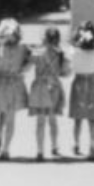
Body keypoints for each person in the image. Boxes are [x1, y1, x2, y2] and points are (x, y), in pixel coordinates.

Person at [0, 18, 31, 160]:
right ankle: (2, 144)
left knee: (5, 117)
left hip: (5, 83)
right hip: (11, 83)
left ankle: (2, 143)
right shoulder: (21, 48)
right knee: (6, 117)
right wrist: (23, 70)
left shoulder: (1, 48)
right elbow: (29, 63)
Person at [67, 20, 94, 161]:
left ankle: (76, 144)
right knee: (92, 118)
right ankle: (92, 146)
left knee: (78, 118)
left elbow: (68, 69)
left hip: (79, 82)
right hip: (93, 83)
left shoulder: (73, 50)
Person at [28, 26, 69, 161]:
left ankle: (40, 151)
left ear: (43, 39)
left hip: (39, 87)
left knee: (40, 121)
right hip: (54, 87)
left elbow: (26, 66)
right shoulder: (60, 54)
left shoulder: (37, 54)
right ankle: (54, 146)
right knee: (53, 120)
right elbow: (65, 73)